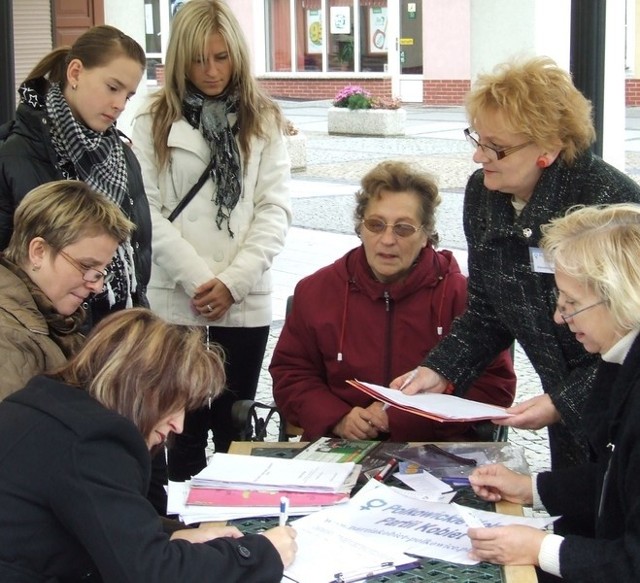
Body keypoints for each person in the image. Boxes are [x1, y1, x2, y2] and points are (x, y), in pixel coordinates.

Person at [393, 56, 640, 470]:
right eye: (478, 139)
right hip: (566, 421)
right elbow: (489, 310)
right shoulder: (485, 195)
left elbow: (634, 340)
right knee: (574, 510)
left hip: (623, 414)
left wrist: (563, 401)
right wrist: (439, 369)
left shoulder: (610, 206)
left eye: (496, 148)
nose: (478, 157)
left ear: (548, 146)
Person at [0, 307, 297, 582]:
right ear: (143, 387)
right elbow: (150, 573)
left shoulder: (45, 405)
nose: (178, 425)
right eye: (175, 403)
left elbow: (107, 520)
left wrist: (173, 536)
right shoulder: (95, 442)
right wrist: (262, 553)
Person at [131, 0, 291, 479]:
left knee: (233, 428)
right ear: (180, 59)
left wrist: (233, 281)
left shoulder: (262, 117)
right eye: (199, 59)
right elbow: (146, 210)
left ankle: (232, 534)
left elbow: (275, 208)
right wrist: (202, 280)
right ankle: (176, 535)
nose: (211, 71)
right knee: (177, 428)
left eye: (222, 57)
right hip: (177, 295)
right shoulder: (153, 115)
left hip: (243, 298)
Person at [270, 160, 515, 442]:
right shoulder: (316, 291)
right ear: (360, 228)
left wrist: (401, 417)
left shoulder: (464, 299)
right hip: (338, 450)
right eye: (375, 225)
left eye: (403, 228)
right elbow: (291, 373)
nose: (387, 240)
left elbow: (493, 386)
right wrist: (337, 418)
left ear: (426, 235)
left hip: (433, 453)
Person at [466, 203, 640, 583]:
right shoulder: (620, 358)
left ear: (621, 299)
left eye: (572, 303)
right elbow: (616, 477)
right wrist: (532, 489)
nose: (559, 317)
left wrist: (537, 548)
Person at [0, 25, 152, 327]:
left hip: (117, 334)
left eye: (128, 95)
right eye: (112, 87)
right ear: (75, 73)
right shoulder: (17, 152)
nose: (120, 104)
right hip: (44, 337)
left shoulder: (123, 156)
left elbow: (138, 254)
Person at [0, 180, 133, 400]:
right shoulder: (9, 336)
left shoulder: (54, 322)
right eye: (86, 266)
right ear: (39, 251)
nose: (98, 286)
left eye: (102, 271)